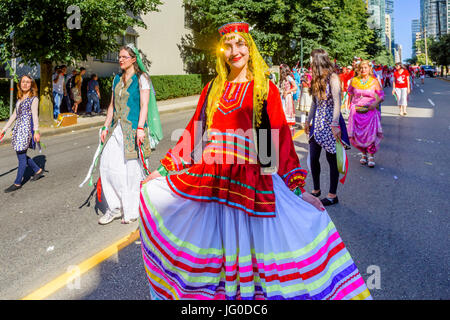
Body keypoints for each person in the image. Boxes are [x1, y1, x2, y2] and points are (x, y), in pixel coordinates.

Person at [138, 22, 371, 300]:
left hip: (249, 181)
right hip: (213, 179)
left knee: (252, 249)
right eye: (228, 46)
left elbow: (278, 144)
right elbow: (196, 132)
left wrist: (296, 190)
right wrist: (165, 168)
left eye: (240, 45)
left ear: (249, 48)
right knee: (219, 246)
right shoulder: (213, 88)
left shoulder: (264, 89)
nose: (234, 51)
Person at [97, 44, 161, 225]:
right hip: (118, 129)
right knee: (107, 166)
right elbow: (111, 105)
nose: (120, 59)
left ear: (133, 59)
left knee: (131, 171)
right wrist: (105, 126)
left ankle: (131, 210)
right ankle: (115, 207)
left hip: (133, 129)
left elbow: (144, 105)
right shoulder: (117, 78)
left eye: (124, 56)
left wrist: (140, 128)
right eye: (119, 56)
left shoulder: (142, 79)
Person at [304, 49, 351, 207]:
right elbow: (314, 103)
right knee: (313, 158)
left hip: (331, 123)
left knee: (332, 160)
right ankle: (316, 190)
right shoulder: (316, 78)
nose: (309, 62)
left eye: (311, 59)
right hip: (317, 124)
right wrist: (307, 120)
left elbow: (337, 102)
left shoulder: (333, 77)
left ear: (317, 60)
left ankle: (332, 195)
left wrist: (335, 124)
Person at [0, 75, 44, 193]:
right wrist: (3, 130)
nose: (25, 84)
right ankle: (38, 170)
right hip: (18, 129)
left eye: (27, 82)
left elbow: (35, 116)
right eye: (23, 82)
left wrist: (36, 131)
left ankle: (18, 182)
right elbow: (14, 115)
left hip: (26, 129)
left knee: (21, 155)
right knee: (21, 154)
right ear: (20, 84)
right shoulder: (19, 98)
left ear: (31, 84)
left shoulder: (34, 98)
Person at [346, 60, 384, 168]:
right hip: (357, 112)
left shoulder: (374, 81)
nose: (363, 70)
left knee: (370, 134)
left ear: (370, 69)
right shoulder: (354, 81)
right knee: (359, 135)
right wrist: (352, 105)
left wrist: (375, 103)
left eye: (365, 68)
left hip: (370, 111)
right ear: (358, 69)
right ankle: (363, 154)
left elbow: (381, 96)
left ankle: (371, 155)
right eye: (361, 68)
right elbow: (350, 93)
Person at [279, 64, 298, 132]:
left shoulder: (289, 77)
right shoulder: (282, 78)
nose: (280, 71)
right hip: (282, 97)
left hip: (288, 98)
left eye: (281, 69)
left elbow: (295, 87)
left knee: (287, 114)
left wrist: (287, 92)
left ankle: (290, 133)